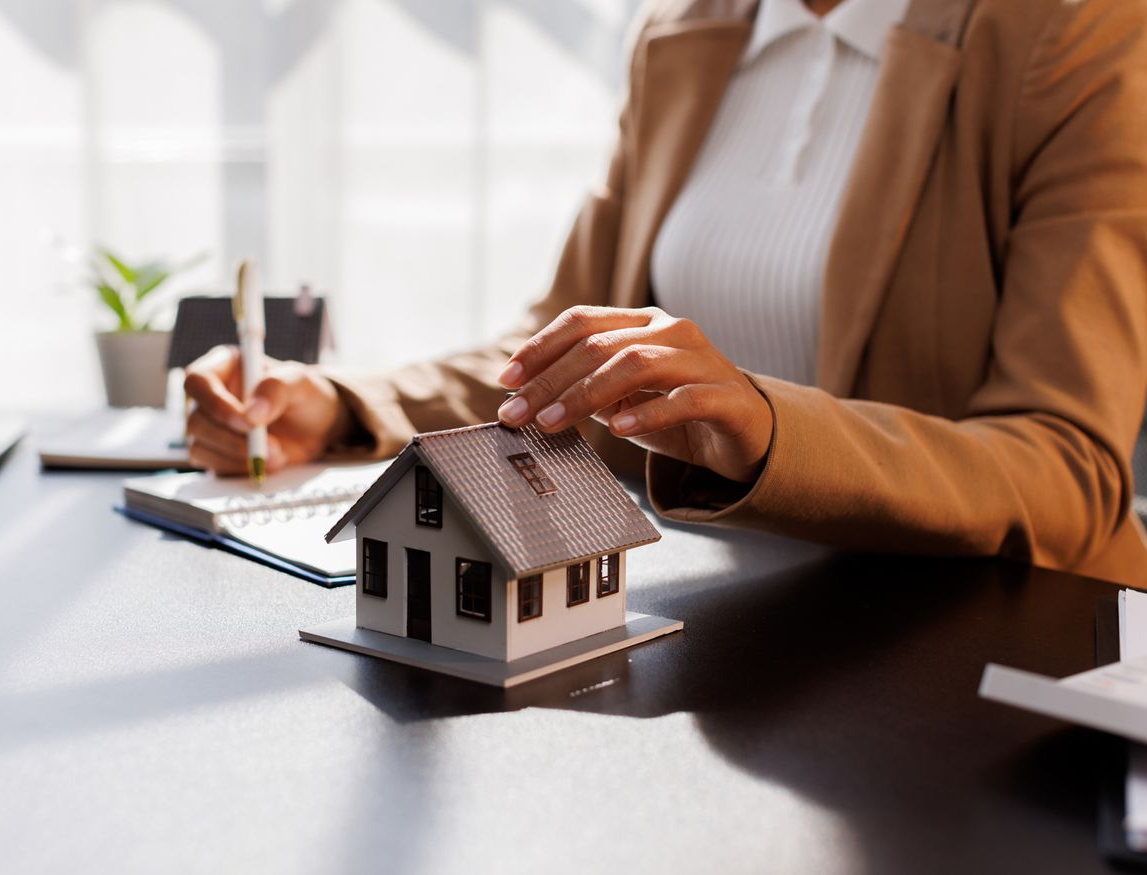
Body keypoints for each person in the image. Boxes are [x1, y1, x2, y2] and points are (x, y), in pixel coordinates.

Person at [183, 0, 1147, 585]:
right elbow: (565, 346)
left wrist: (766, 428)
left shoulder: (1072, 39)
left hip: (983, 655)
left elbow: (1067, 468)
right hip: (739, 625)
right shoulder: (686, 33)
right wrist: (347, 402)